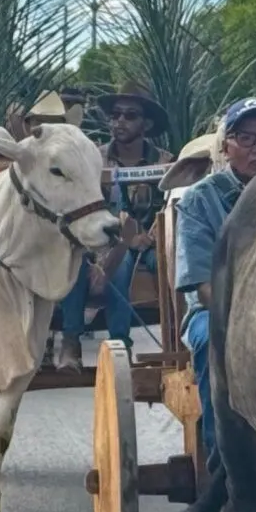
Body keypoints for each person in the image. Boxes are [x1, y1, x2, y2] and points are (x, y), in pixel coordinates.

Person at [160, 96, 256, 512]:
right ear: (227, 145)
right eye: (248, 138)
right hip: (220, 315)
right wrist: (253, 323)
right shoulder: (200, 201)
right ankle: (226, 464)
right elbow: (202, 288)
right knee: (210, 344)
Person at [55, 86, 170, 370]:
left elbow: (170, 207)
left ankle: (133, 344)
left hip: (150, 244)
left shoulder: (165, 162)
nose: (120, 121)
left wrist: (151, 233)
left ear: (147, 124)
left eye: (130, 116)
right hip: (101, 240)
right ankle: (71, 341)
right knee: (77, 260)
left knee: (170, 263)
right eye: (115, 115)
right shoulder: (94, 158)